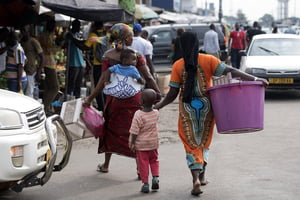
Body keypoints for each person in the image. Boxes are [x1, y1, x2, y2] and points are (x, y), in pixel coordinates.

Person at [154, 32, 268, 196]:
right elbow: (231, 70)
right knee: (204, 142)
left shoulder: (178, 65)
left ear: (180, 46)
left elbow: (172, 93)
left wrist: (159, 105)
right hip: (208, 107)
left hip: (187, 110)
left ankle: (195, 179)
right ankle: (203, 176)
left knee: (191, 144)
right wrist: (255, 78)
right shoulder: (209, 60)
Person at [83, 23, 161, 176]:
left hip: (114, 101)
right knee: (136, 133)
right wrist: (158, 94)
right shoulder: (135, 56)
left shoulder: (108, 56)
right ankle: (139, 168)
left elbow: (101, 81)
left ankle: (106, 165)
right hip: (134, 101)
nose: (133, 38)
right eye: (131, 36)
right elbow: (148, 77)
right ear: (126, 37)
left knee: (110, 132)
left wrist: (90, 98)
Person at [129, 88, 160, 193]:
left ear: (141, 101)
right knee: (154, 160)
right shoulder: (156, 113)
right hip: (153, 143)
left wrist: (132, 143)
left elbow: (134, 131)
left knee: (143, 163)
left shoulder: (138, 114)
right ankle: (155, 177)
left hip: (141, 145)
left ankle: (145, 183)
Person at [39, 19, 60, 114]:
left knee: (49, 88)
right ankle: (45, 107)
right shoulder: (45, 36)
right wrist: (59, 46)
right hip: (48, 64)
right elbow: (49, 49)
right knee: (55, 88)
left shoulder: (45, 35)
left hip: (49, 63)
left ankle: (46, 107)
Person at [20, 25, 44, 99]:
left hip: (30, 70)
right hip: (22, 70)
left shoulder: (33, 41)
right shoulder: (21, 42)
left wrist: (39, 71)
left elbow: (42, 57)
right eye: (22, 31)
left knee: (29, 93)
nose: (23, 33)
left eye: (25, 31)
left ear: (28, 31)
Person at [64, 19, 85, 98]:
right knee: (71, 84)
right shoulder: (68, 35)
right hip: (72, 63)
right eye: (77, 26)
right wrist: (70, 38)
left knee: (78, 85)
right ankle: (69, 98)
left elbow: (81, 45)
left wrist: (72, 39)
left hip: (80, 62)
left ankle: (77, 99)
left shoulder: (78, 35)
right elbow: (64, 45)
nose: (79, 28)